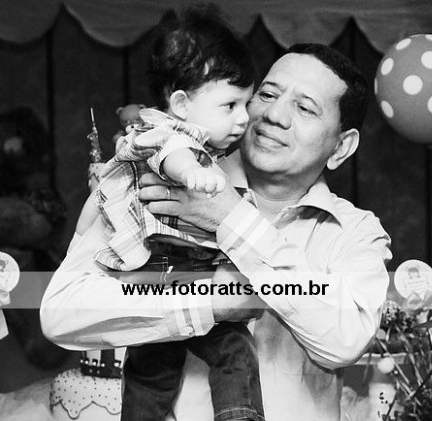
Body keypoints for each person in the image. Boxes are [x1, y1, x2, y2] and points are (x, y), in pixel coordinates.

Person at [41, 41, 392, 421]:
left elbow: (343, 341)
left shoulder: (354, 232)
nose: (274, 114)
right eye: (267, 94)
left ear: (341, 147)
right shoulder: (160, 181)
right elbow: (61, 313)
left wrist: (231, 218)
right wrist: (209, 302)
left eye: (305, 108)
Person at [78, 7, 262, 421]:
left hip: (166, 277)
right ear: (180, 103)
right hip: (173, 269)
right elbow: (172, 155)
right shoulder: (166, 135)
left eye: (246, 103)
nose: (244, 118)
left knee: (156, 369)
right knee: (227, 351)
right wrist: (193, 174)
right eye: (230, 104)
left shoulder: (202, 145)